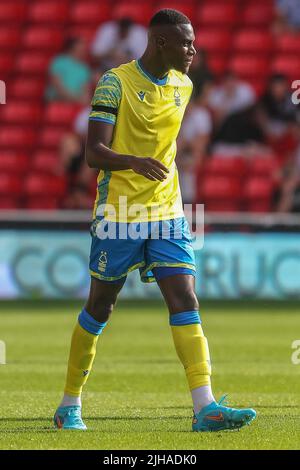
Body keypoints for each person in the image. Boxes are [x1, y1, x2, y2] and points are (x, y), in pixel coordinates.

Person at [53, 9, 256, 433]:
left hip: (167, 210)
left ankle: (206, 407)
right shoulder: (115, 82)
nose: (193, 51)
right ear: (160, 42)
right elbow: (93, 153)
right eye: (185, 43)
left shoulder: (184, 85)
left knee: (185, 299)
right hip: (120, 213)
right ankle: (69, 405)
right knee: (100, 306)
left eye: (194, 42)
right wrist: (133, 162)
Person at [46, 38, 91, 104]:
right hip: (57, 101)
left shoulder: (84, 68)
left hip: (76, 104)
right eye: (81, 46)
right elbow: (57, 87)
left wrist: (83, 100)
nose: (84, 49)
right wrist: (75, 99)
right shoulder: (59, 61)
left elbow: (86, 91)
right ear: (72, 48)